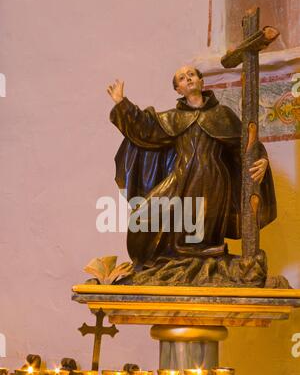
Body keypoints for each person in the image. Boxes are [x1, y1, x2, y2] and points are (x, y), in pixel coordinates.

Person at [107, 66, 276, 269]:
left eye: (191, 75)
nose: (188, 78)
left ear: (201, 81)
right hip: (181, 177)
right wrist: (121, 103)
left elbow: (246, 144)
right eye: (181, 78)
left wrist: (262, 158)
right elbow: (145, 127)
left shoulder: (223, 114)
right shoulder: (173, 118)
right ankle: (160, 259)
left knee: (202, 230)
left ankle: (202, 258)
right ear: (178, 89)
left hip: (214, 180)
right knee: (144, 216)